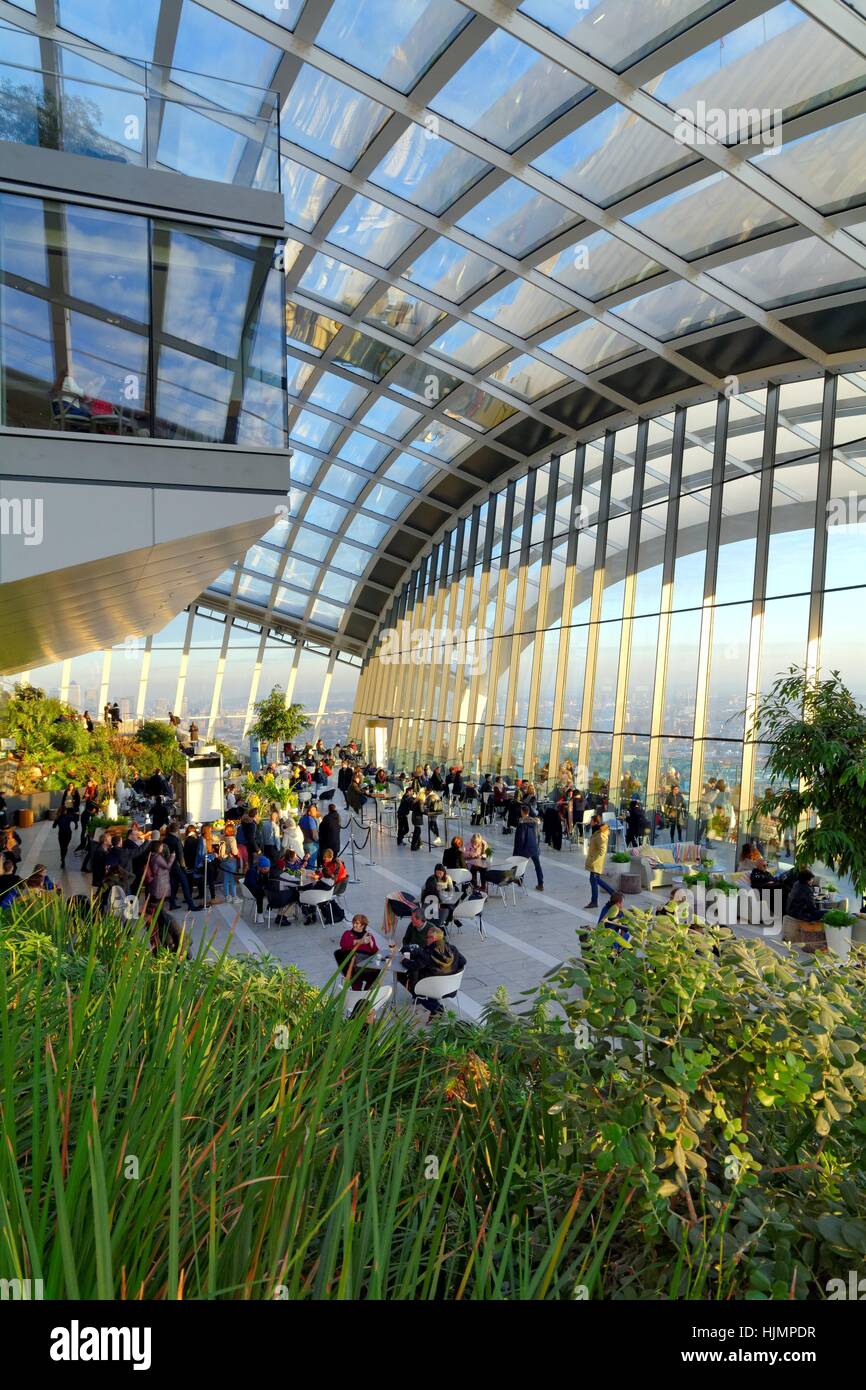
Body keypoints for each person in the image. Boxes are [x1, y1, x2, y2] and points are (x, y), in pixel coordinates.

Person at [396, 926, 466, 1020]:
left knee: (404, 978)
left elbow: (414, 966)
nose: (426, 939)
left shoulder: (428, 953)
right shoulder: (452, 949)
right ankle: (434, 1007)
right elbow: (463, 961)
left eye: (427, 937)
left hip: (434, 988)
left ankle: (436, 1008)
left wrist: (404, 960)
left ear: (433, 938)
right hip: (451, 987)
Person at [335, 914, 384, 992]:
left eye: (357, 923)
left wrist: (371, 944)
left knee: (378, 966)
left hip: (367, 960)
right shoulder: (348, 933)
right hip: (353, 959)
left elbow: (376, 952)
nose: (354, 925)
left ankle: (366, 990)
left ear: (363, 925)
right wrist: (360, 941)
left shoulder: (369, 936)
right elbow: (343, 944)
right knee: (353, 961)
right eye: (354, 922)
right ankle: (357, 989)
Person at [163, 822, 198, 912]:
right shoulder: (177, 840)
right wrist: (184, 867)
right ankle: (191, 905)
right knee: (185, 884)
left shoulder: (165, 839)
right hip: (177, 865)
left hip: (169, 864)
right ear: (177, 830)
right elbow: (180, 855)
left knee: (173, 884)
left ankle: (172, 903)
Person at [583, 816, 615, 910]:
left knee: (594, 880)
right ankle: (612, 894)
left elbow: (603, 849)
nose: (590, 822)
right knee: (595, 880)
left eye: (591, 821)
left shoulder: (601, 834)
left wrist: (595, 859)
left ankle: (596, 901)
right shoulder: (597, 831)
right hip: (594, 860)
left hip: (596, 862)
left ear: (595, 822)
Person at [513, 804, 544, 891]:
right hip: (534, 847)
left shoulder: (521, 824)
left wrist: (517, 850)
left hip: (525, 848)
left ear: (522, 812)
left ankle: (520, 880)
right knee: (538, 866)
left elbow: (521, 838)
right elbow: (538, 835)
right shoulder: (535, 823)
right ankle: (541, 883)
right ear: (529, 812)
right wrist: (537, 846)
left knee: (522, 865)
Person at [421, 863, 455, 927]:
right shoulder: (432, 879)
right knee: (447, 907)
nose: (439, 875)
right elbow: (424, 888)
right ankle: (444, 921)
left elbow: (451, 889)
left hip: (444, 896)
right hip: (435, 898)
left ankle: (447, 920)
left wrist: (449, 895)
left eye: (440, 873)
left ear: (443, 872)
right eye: (437, 873)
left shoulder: (447, 878)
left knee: (450, 906)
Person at [144, 842, 174, 910]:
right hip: (159, 881)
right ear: (157, 848)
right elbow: (167, 866)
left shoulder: (152, 855)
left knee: (154, 902)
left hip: (155, 880)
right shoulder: (157, 857)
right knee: (159, 903)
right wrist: (172, 857)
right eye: (161, 846)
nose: (162, 848)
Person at [53, 804, 76, 869]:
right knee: (65, 847)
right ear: (65, 811)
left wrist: (56, 820)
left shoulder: (58, 818)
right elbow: (76, 820)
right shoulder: (69, 816)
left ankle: (62, 859)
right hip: (68, 834)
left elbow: (53, 826)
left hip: (61, 834)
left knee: (62, 847)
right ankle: (63, 858)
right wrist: (75, 814)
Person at [219, 833, 241, 903]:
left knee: (226, 879)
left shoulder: (223, 837)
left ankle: (227, 896)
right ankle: (234, 897)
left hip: (224, 860)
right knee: (232, 879)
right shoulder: (232, 839)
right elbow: (234, 852)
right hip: (231, 860)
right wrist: (237, 851)